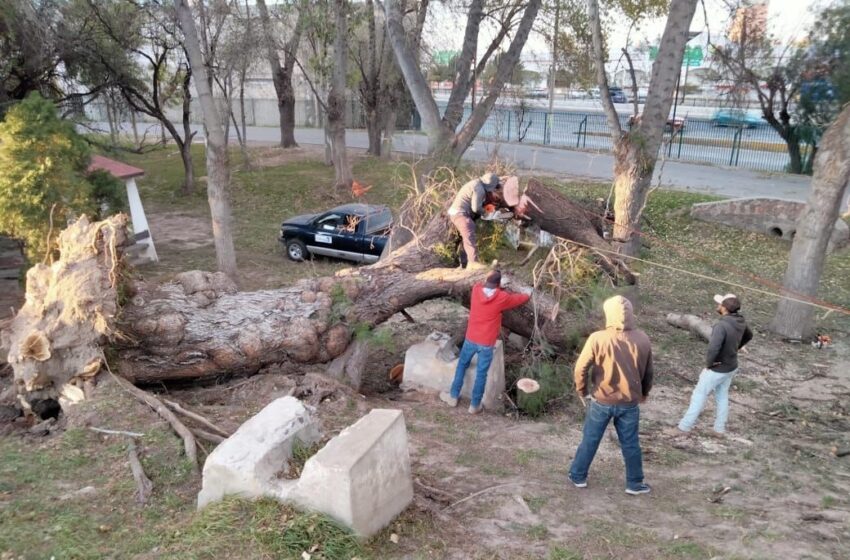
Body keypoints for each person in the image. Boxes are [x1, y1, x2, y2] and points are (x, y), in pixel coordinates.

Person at [568, 295, 654, 495]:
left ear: (609, 314)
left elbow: (580, 368)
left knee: (590, 439)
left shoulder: (598, 338)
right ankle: (634, 483)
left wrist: (582, 391)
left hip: (601, 400)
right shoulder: (643, 338)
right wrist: (644, 393)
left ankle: (578, 476)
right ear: (631, 314)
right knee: (631, 444)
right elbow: (649, 372)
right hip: (629, 402)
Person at [440, 270, 530, 414]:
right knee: (482, 373)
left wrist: (497, 285)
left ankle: (453, 396)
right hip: (487, 343)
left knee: (462, 366)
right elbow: (520, 299)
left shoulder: (476, 291)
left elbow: (480, 284)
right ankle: (474, 405)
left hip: (470, 339)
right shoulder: (502, 297)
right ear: (499, 284)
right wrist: (527, 293)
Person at [672, 293, 753, 436]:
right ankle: (719, 429)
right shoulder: (740, 321)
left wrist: (709, 364)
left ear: (724, 308)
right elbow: (749, 335)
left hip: (718, 368)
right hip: (731, 366)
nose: (718, 306)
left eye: (720, 304)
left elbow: (713, 348)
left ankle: (683, 427)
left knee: (699, 394)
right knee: (722, 396)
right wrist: (738, 346)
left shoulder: (721, 326)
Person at [448, 173, 502, 267]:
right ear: (490, 184)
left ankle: (463, 264)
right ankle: (473, 263)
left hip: (456, 213)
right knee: (469, 234)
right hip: (461, 214)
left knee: (464, 239)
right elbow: (476, 208)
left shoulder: (476, 183)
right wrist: (486, 213)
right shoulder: (479, 188)